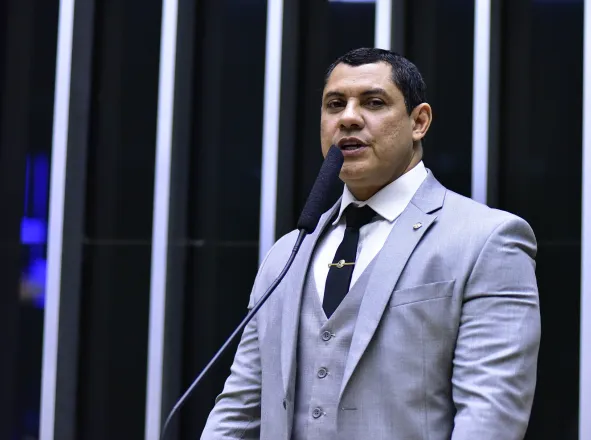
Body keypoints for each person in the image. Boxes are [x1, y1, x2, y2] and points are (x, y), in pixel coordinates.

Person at [201, 47, 540, 440]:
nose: (348, 118)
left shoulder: (486, 240)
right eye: (335, 104)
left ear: (419, 122)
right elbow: (239, 410)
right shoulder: (285, 255)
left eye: (373, 102)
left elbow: (490, 416)